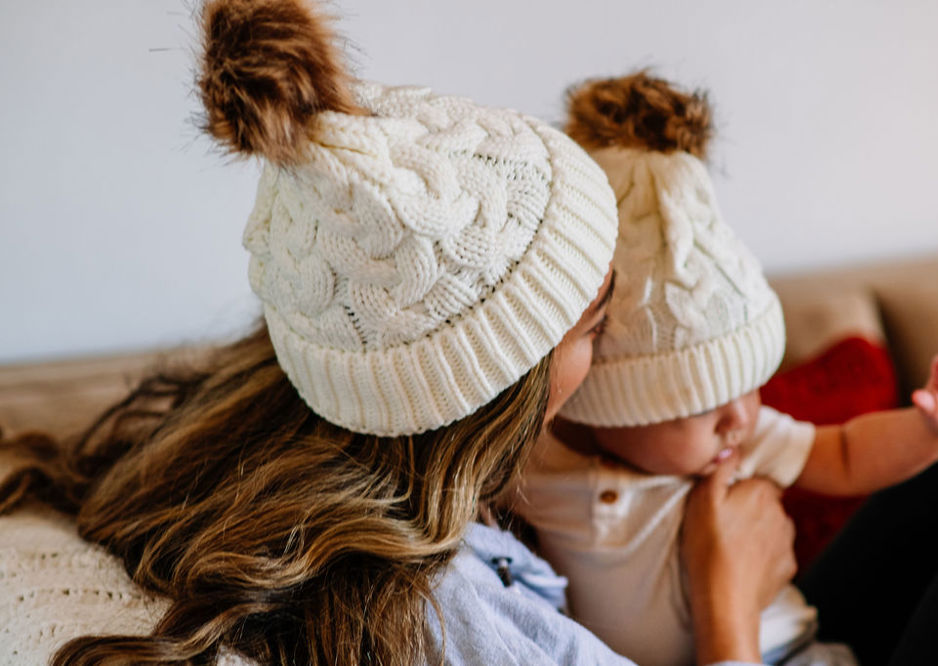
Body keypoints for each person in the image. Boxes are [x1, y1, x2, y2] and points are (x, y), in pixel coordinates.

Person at [0, 2, 796, 664]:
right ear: (493, 392)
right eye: (594, 324)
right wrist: (729, 594)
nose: (615, 344)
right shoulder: (459, 623)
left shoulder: (236, 458)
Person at [513, 71, 938, 666]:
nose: (739, 416)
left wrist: (935, 428)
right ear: (609, 406)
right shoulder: (539, 471)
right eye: (703, 404)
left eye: (746, 386)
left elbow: (844, 454)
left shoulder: (737, 443)